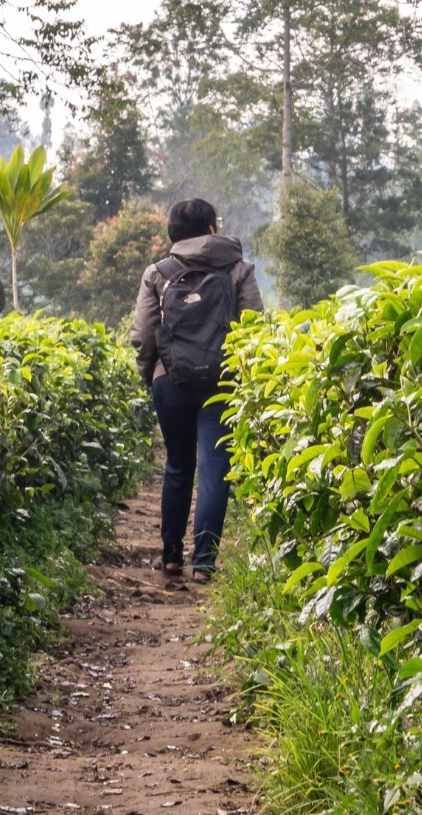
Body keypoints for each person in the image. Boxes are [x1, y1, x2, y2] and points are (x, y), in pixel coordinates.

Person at [130, 198, 263, 583]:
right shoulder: (239, 269)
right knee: (214, 469)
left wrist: (152, 375)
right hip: (223, 383)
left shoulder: (157, 273)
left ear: (173, 233)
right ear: (211, 229)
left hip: (170, 380)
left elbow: (142, 336)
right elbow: (253, 329)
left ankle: (171, 555)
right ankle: (204, 562)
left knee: (177, 464)